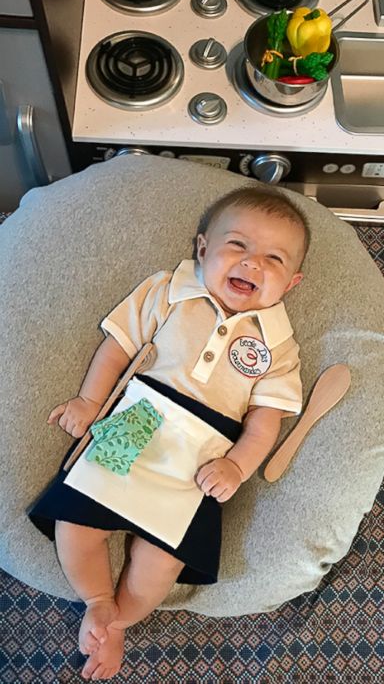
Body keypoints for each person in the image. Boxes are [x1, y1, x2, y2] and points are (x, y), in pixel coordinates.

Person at [28, 186, 309, 680]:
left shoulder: (279, 346)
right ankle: (97, 599)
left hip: (206, 449)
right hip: (139, 417)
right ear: (202, 249)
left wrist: (238, 465)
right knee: (77, 517)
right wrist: (91, 402)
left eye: (273, 258)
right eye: (237, 246)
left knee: (163, 559)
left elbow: (266, 418)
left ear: (292, 283)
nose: (253, 264)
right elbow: (118, 347)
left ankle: (120, 622)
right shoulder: (169, 291)